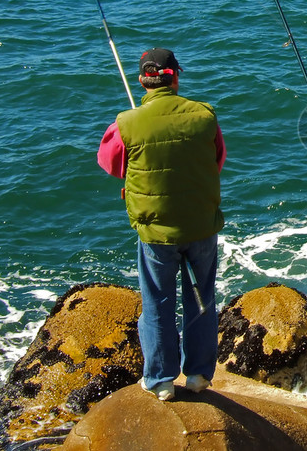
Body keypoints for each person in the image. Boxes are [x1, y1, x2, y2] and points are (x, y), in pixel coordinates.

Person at [97, 48, 225, 402]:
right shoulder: (204, 115)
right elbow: (218, 159)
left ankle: (160, 379)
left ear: (143, 80)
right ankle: (199, 373)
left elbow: (110, 165)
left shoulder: (126, 122)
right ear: (175, 77)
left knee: (157, 300)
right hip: (200, 224)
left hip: (155, 230)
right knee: (201, 298)